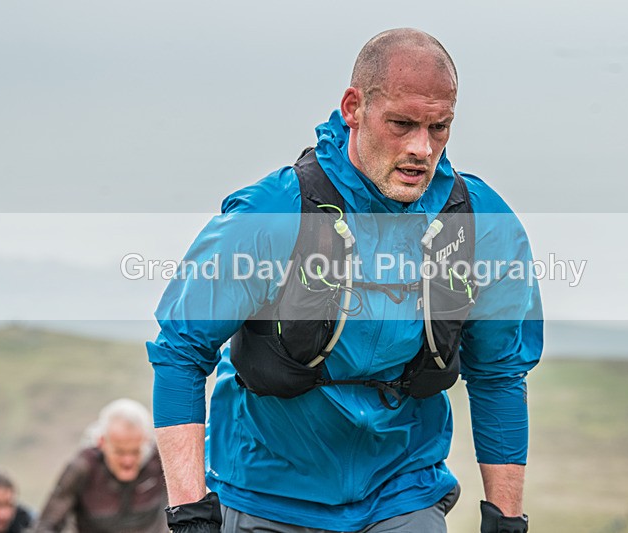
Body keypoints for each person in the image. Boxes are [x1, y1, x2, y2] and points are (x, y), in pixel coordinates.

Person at [148, 28, 543, 533]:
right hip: (264, 495)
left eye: (439, 128)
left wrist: (505, 519)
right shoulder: (273, 213)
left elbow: (500, 373)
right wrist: (190, 513)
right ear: (353, 107)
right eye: (401, 124)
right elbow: (181, 349)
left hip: (402, 493)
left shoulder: (480, 221)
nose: (423, 148)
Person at [34, 399, 168, 533]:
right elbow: (47, 524)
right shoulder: (83, 467)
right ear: (102, 442)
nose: (128, 461)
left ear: (146, 442)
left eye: (135, 452)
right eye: (119, 452)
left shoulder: (160, 461)